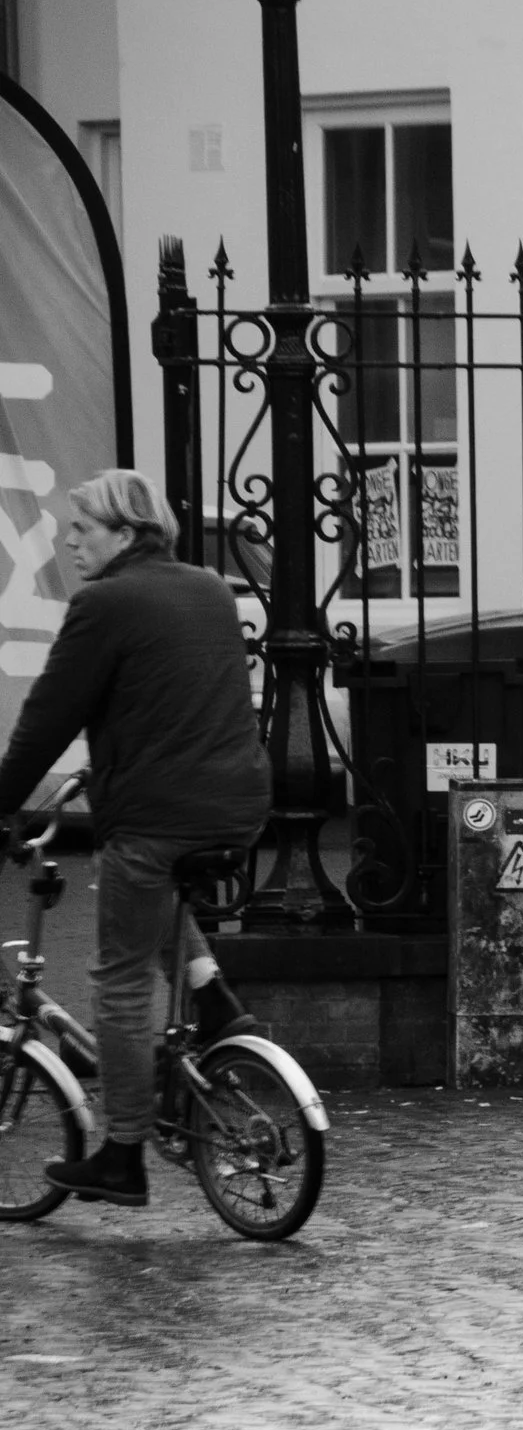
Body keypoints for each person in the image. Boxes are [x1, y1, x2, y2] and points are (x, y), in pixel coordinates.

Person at [0, 471, 269, 1207]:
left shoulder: (104, 602)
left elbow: (46, 717)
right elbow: (175, 697)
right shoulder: (209, 586)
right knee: (144, 891)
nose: (69, 538)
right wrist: (102, 767)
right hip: (238, 804)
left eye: (82, 526)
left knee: (116, 981)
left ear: (125, 533)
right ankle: (213, 999)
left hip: (158, 816)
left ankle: (121, 1155)